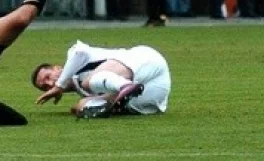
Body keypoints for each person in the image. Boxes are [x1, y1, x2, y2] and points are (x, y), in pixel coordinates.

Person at [32, 40, 171, 119]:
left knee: (88, 83)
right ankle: (124, 90)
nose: (50, 84)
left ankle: (125, 86)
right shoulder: (82, 90)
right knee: (80, 105)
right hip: (153, 96)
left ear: (57, 68)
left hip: (147, 61)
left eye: (48, 77)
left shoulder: (74, 56)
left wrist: (59, 85)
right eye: (45, 87)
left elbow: (81, 52)